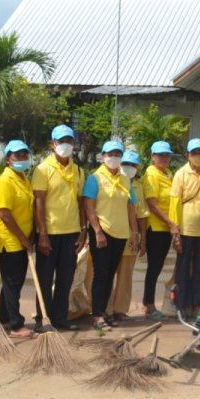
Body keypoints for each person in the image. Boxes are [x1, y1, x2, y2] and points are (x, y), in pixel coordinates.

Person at [31, 124, 85, 331]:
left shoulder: (78, 170)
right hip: (49, 233)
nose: (66, 145)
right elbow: (39, 203)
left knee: (66, 278)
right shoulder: (43, 169)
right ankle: (42, 319)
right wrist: (42, 234)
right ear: (53, 144)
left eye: (69, 141)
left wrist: (83, 229)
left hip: (71, 232)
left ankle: (60, 317)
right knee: (44, 278)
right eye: (61, 141)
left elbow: (80, 202)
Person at [82, 141, 138, 331]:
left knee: (110, 275)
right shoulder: (95, 178)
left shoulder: (125, 180)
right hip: (102, 231)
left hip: (121, 233)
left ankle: (105, 311)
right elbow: (88, 206)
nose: (114, 157)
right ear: (103, 155)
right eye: (110, 153)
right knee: (101, 273)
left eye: (117, 154)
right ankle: (97, 315)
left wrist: (135, 232)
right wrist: (97, 231)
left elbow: (131, 207)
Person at [0, 140, 36, 338]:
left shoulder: (23, 178)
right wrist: (23, 239)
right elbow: (4, 215)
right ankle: (16, 324)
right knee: (12, 283)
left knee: (14, 283)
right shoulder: (4, 182)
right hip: (10, 241)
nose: (21, 159)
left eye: (24, 155)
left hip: (23, 239)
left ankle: (4, 318)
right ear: (8, 159)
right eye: (17, 156)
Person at [171, 138, 200, 320]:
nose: (198, 156)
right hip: (185, 229)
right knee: (182, 269)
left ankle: (198, 304)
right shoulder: (180, 174)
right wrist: (175, 231)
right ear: (188, 155)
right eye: (194, 153)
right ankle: (181, 305)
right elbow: (174, 203)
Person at [108, 149, 147, 323]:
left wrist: (141, 239)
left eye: (133, 165)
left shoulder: (139, 186)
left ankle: (120, 309)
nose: (128, 167)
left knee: (125, 275)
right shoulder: (108, 180)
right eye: (125, 164)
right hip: (111, 233)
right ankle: (104, 308)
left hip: (130, 235)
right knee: (106, 273)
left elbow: (141, 215)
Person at [141, 140, 178, 319]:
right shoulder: (151, 174)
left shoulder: (168, 174)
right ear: (152, 157)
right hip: (156, 228)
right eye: (160, 155)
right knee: (154, 267)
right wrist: (170, 223)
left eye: (167, 155)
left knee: (158, 266)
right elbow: (152, 204)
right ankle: (148, 304)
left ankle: (148, 302)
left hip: (166, 227)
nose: (164, 158)